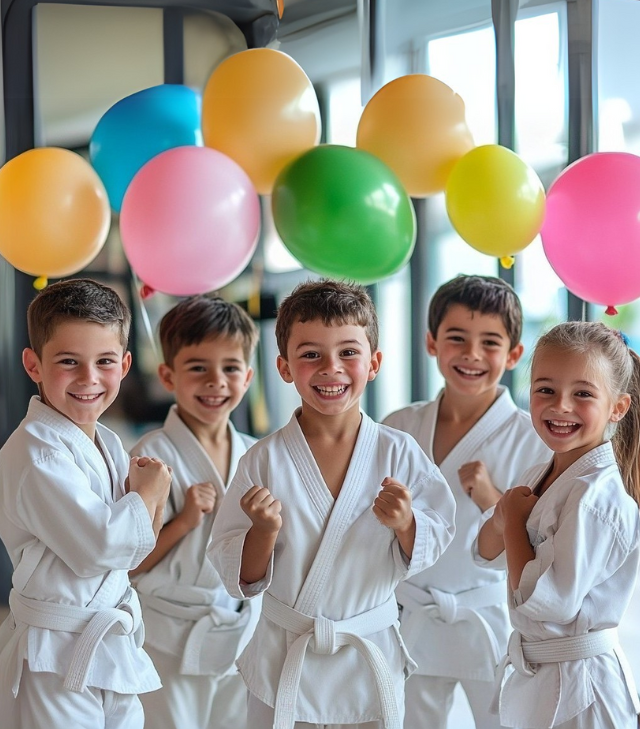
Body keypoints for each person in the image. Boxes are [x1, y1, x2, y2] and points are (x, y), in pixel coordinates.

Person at [209, 279, 456, 729]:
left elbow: (438, 532)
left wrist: (406, 523)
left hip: (368, 655)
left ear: (374, 363)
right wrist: (262, 532)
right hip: (285, 659)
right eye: (310, 355)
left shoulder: (398, 453)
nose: (331, 368)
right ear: (284, 367)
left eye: (348, 352)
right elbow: (236, 576)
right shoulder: (262, 460)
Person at [0, 278, 172, 729]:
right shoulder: (36, 451)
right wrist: (148, 494)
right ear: (33, 364)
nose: (89, 378)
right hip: (54, 652)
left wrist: (141, 503)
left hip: (108, 643)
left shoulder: (109, 444)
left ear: (126, 364)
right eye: (68, 362)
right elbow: (99, 548)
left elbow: (132, 551)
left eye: (105, 361)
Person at [383, 274, 550, 729]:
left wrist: (492, 500)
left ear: (514, 354)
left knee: (503, 720)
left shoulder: (531, 437)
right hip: (410, 612)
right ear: (432, 342)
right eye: (456, 338)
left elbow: (539, 542)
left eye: (490, 342)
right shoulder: (399, 425)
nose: (472, 354)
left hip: (488, 615)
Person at [476, 321, 640, 729]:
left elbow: (547, 601)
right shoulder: (540, 471)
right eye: (545, 390)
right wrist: (504, 519)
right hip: (546, 677)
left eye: (582, 393)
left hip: (584, 691)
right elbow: (483, 552)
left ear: (617, 407)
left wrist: (511, 523)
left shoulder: (596, 498)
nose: (560, 406)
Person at [130, 294, 260, 729]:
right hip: (167, 630)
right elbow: (128, 563)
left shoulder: (254, 456)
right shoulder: (151, 456)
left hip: (234, 627)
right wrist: (184, 521)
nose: (215, 381)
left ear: (249, 376)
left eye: (230, 368)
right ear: (168, 375)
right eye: (198, 367)